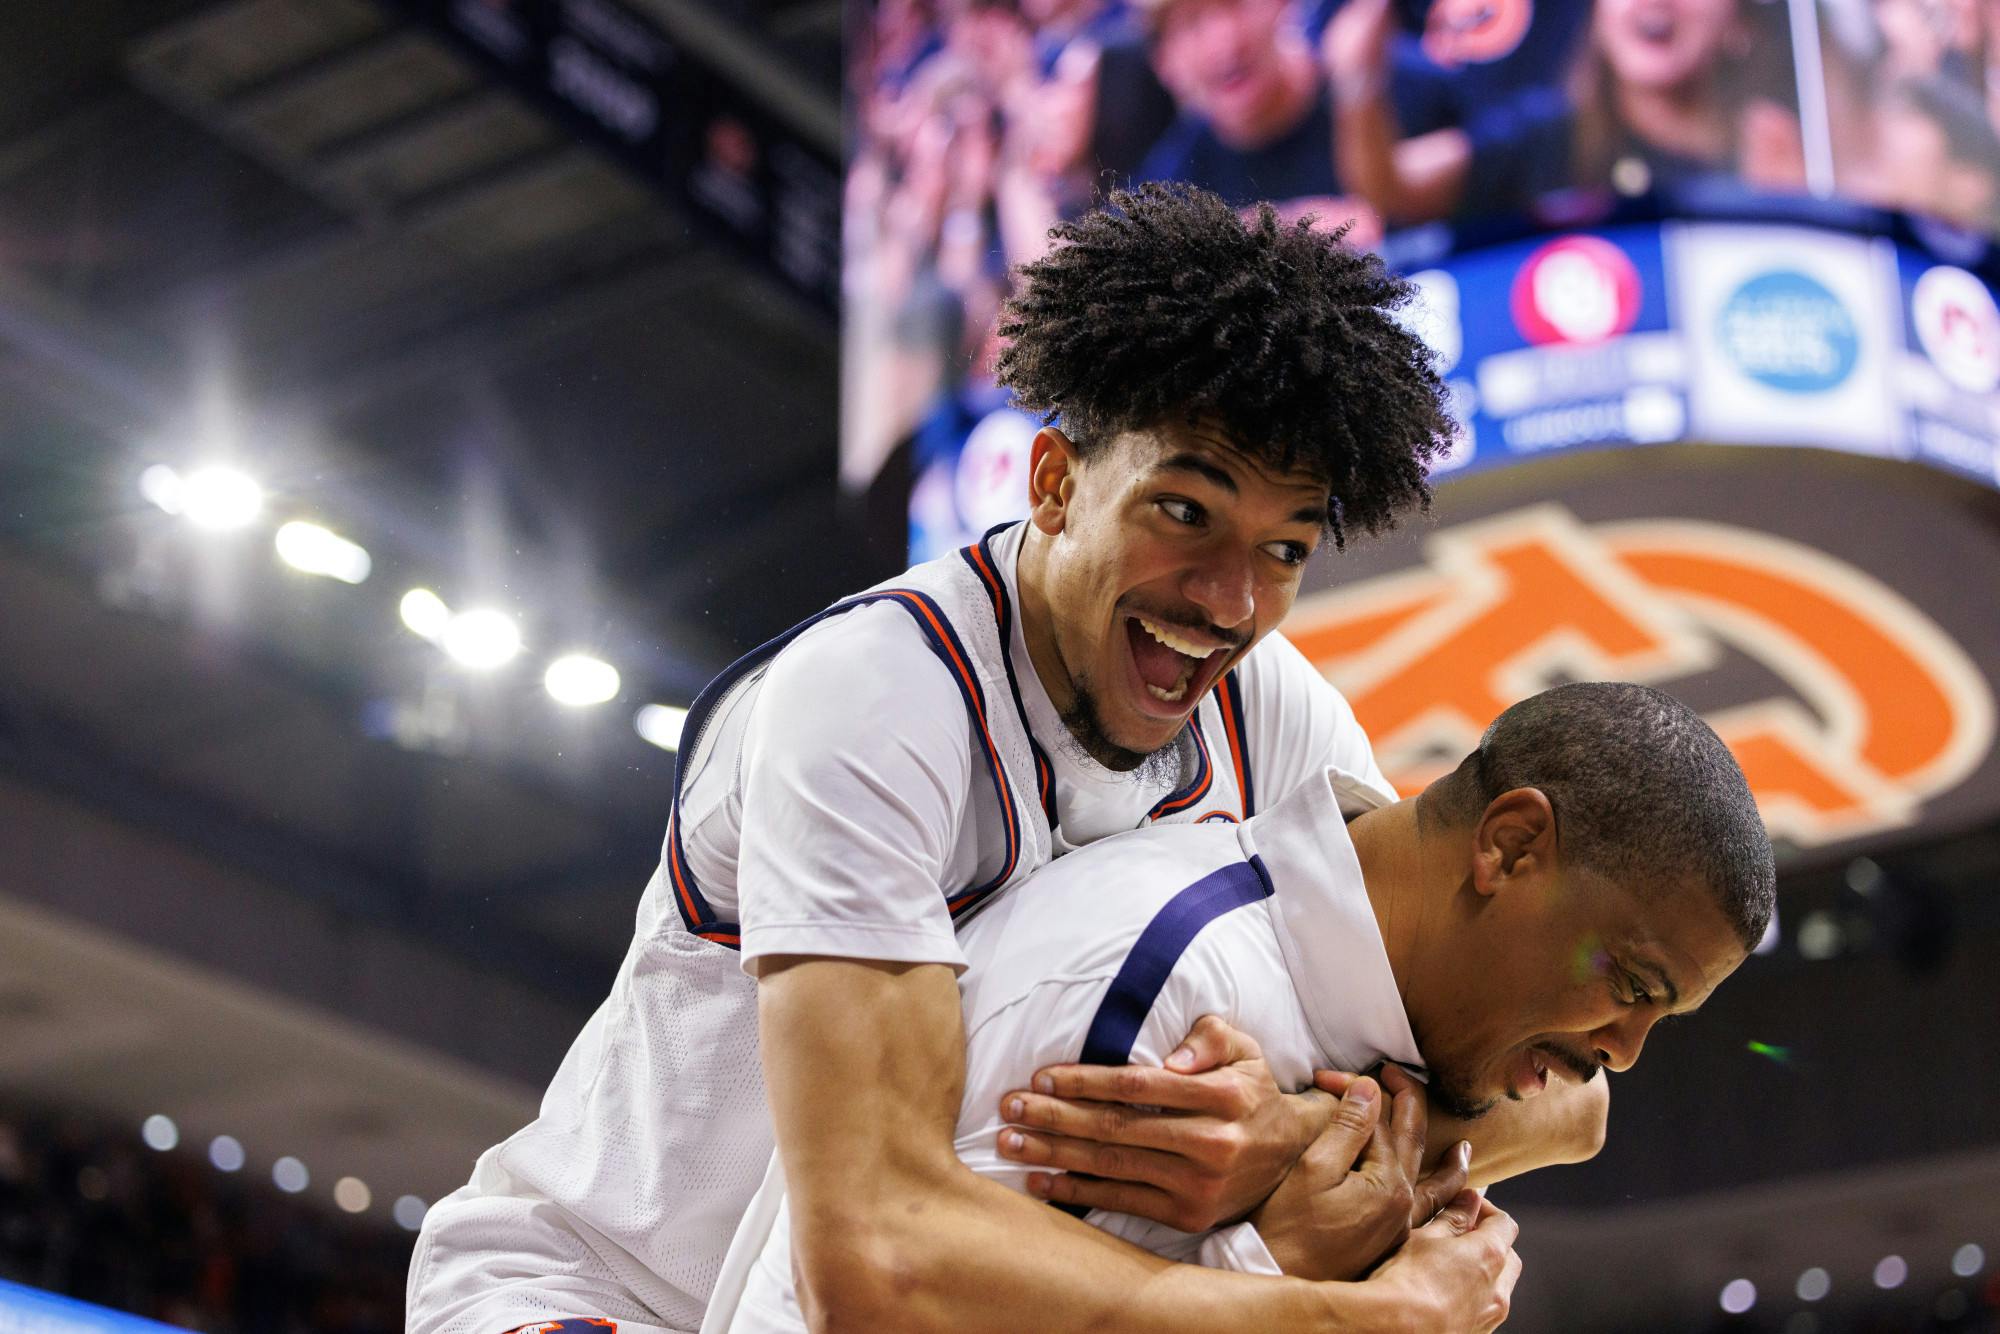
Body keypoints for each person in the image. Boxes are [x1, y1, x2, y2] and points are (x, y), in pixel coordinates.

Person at [405, 183, 1591, 1334]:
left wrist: (1295, 1134)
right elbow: (873, 1264)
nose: (1229, 598)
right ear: (1055, 484)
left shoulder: (1276, 719)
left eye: (1281, 548)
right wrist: (1360, 1315)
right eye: (1184, 511)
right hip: (607, 1294)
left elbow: (1561, 1094)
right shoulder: (876, 696)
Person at [708, 681, 1774, 1334]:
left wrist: (1320, 1133)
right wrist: (1329, 1301)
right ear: (1506, 845)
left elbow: (1580, 1115)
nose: (1623, 1053)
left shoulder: (1384, 983)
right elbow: (865, 1297)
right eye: (1628, 987)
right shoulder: (1160, 1001)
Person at [1327, 0, 1805, 224]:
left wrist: (1794, 210)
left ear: (1740, 20)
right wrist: (1358, 84)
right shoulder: (1552, 136)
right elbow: (1392, 190)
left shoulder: (1796, 143)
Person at [1136, 0, 1385, 240]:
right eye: (1192, 23)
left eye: (1236, 4)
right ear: (1164, 63)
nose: (1224, 39)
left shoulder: (1383, 85)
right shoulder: (1174, 182)